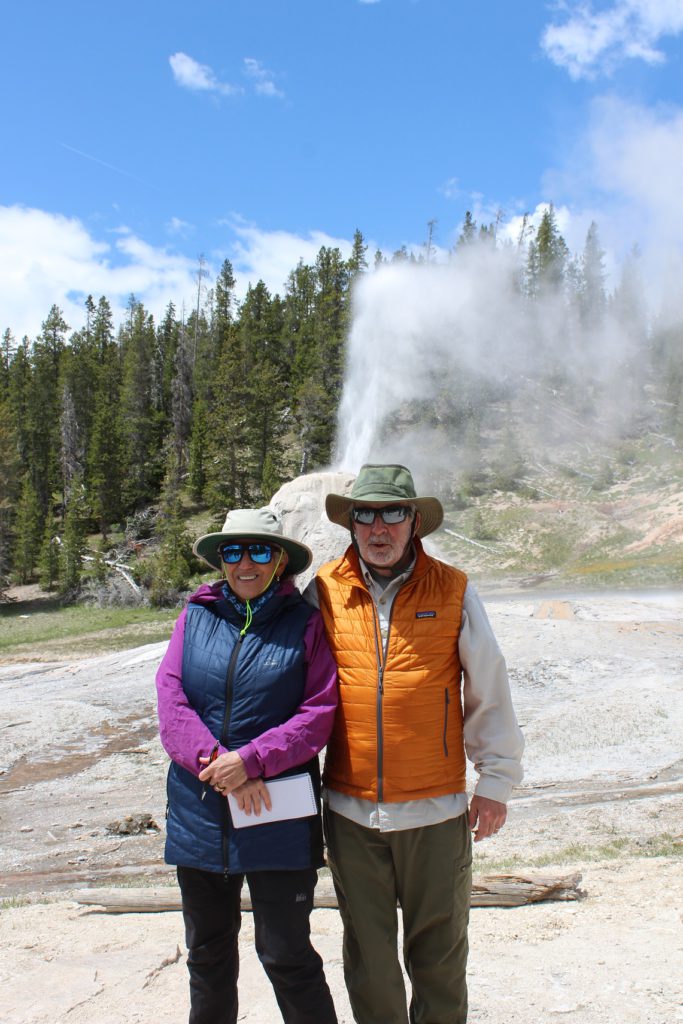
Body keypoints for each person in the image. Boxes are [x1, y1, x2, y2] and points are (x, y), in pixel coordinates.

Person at [312, 463, 524, 1024]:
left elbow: (488, 684)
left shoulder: (453, 589)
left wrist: (496, 780)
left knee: (440, 958)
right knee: (369, 960)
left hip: (436, 811)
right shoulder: (325, 591)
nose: (378, 529)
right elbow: (296, 693)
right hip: (351, 810)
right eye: (366, 515)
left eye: (392, 515)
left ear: (414, 523)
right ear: (351, 522)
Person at [155, 506, 338, 1024]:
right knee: (208, 955)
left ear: (280, 561)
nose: (245, 564)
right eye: (233, 552)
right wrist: (219, 764)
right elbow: (171, 699)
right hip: (200, 809)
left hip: (276, 815)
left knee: (286, 955)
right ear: (221, 561)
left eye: (260, 551)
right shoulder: (196, 615)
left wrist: (253, 760)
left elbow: (319, 711)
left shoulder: (306, 624)